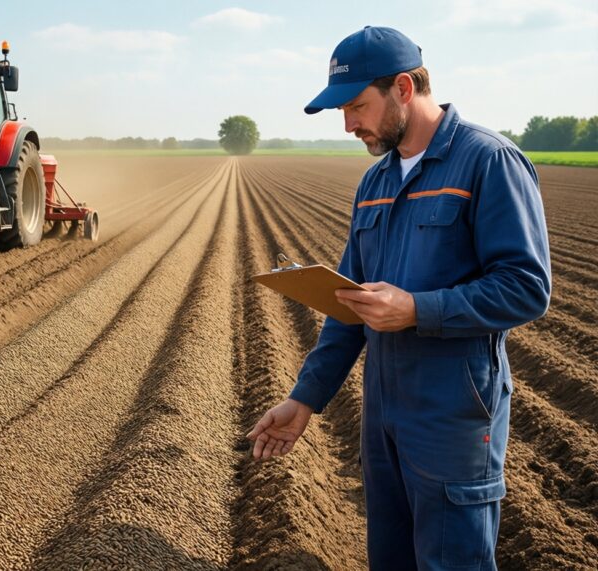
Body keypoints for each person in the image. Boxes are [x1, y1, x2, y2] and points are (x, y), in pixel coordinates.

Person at [245, 26, 551, 570]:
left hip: (453, 414)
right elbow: (347, 305)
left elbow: (526, 287)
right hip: (383, 414)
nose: (348, 124)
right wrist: (305, 399)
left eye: (356, 106)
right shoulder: (376, 182)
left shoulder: (487, 161)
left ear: (404, 88)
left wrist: (416, 309)